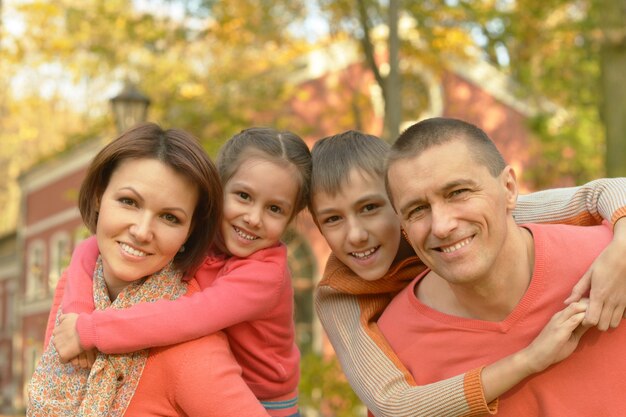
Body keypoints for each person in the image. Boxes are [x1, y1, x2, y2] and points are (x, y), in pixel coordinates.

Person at [312, 130, 626, 416]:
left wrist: (622, 246)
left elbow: (598, 194)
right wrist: (529, 359)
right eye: (332, 219)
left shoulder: (481, 215)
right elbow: (393, 405)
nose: (356, 235)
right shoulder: (340, 294)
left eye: (369, 208)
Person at [50, 127, 311, 417]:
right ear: (218, 190)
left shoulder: (265, 275)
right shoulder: (200, 237)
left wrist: (91, 330)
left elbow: (190, 316)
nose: (253, 218)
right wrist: (77, 310)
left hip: (266, 402)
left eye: (275, 209)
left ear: (290, 219)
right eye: (243, 196)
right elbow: (89, 248)